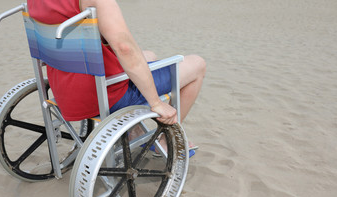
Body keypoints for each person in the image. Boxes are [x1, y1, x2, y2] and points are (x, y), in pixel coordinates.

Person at [27, 0, 205, 149]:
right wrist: (156, 103)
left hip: (64, 93)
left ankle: (132, 131)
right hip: (102, 97)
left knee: (149, 55)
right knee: (197, 64)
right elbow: (125, 48)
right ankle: (167, 141)